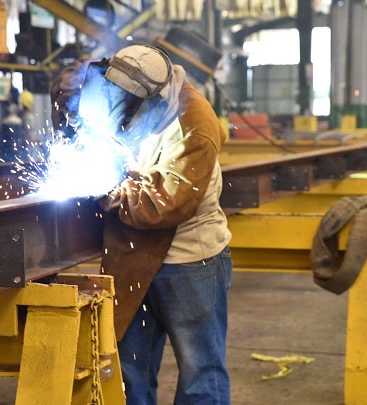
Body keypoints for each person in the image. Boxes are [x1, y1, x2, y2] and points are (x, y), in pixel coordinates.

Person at [50, 45, 233, 404]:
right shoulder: (117, 81)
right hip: (132, 258)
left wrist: (109, 188)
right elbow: (70, 90)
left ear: (155, 97)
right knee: (129, 373)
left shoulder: (195, 124)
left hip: (189, 261)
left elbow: (161, 206)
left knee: (201, 375)